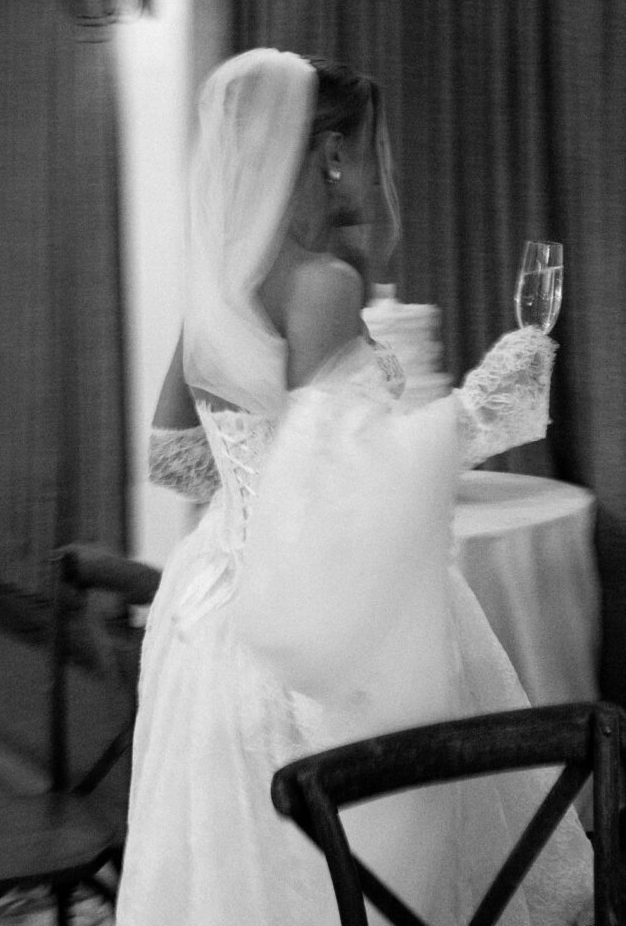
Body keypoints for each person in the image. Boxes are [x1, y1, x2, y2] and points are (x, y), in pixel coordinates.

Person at [116, 49, 593, 926]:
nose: (378, 170)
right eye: (371, 147)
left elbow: (174, 458)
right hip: (314, 636)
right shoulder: (323, 285)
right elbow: (347, 487)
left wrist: (250, 480)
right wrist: (494, 399)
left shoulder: (220, 287)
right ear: (331, 152)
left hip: (208, 627)